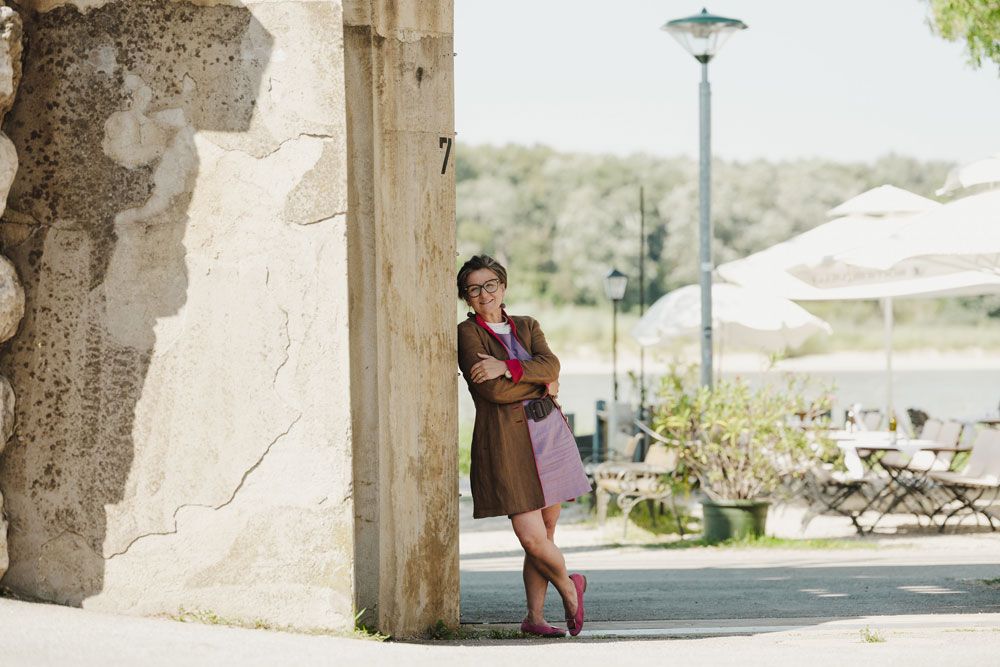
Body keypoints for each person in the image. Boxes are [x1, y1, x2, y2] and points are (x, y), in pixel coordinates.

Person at [456, 255, 591, 638]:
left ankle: (535, 617)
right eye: (474, 289)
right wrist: (539, 384)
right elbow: (493, 392)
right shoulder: (468, 334)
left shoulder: (528, 325)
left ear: (503, 287)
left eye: (490, 285)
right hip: (507, 443)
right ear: (467, 297)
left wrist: (507, 367)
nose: (484, 294)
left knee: (546, 533)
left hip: (549, 434)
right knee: (531, 536)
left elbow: (552, 366)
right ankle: (570, 586)